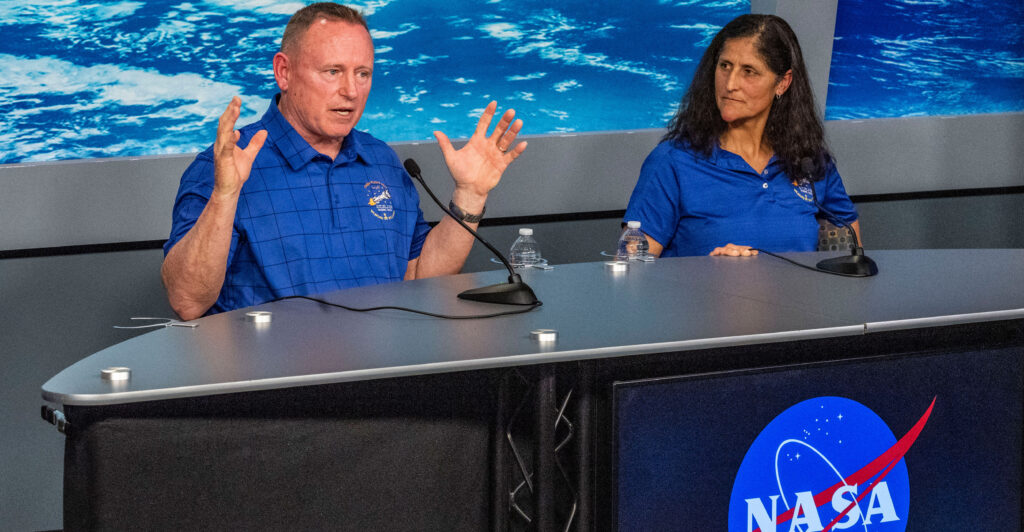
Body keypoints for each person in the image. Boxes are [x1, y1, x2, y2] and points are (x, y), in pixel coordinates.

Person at [162, 3, 527, 320]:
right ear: (284, 72)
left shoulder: (381, 161)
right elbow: (187, 302)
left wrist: (470, 195)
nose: (351, 91)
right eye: (332, 72)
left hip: (381, 375)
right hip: (272, 385)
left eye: (362, 74)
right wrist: (225, 196)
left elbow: (417, 277)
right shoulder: (228, 164)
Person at [623, 14, 859, 258]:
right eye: (725, 66)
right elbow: (632, 274)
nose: (730, 84)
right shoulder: (671, 162)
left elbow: (848, 266)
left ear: (782, 83)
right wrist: (707, 271)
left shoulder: (810, 161)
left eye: (749, 71)